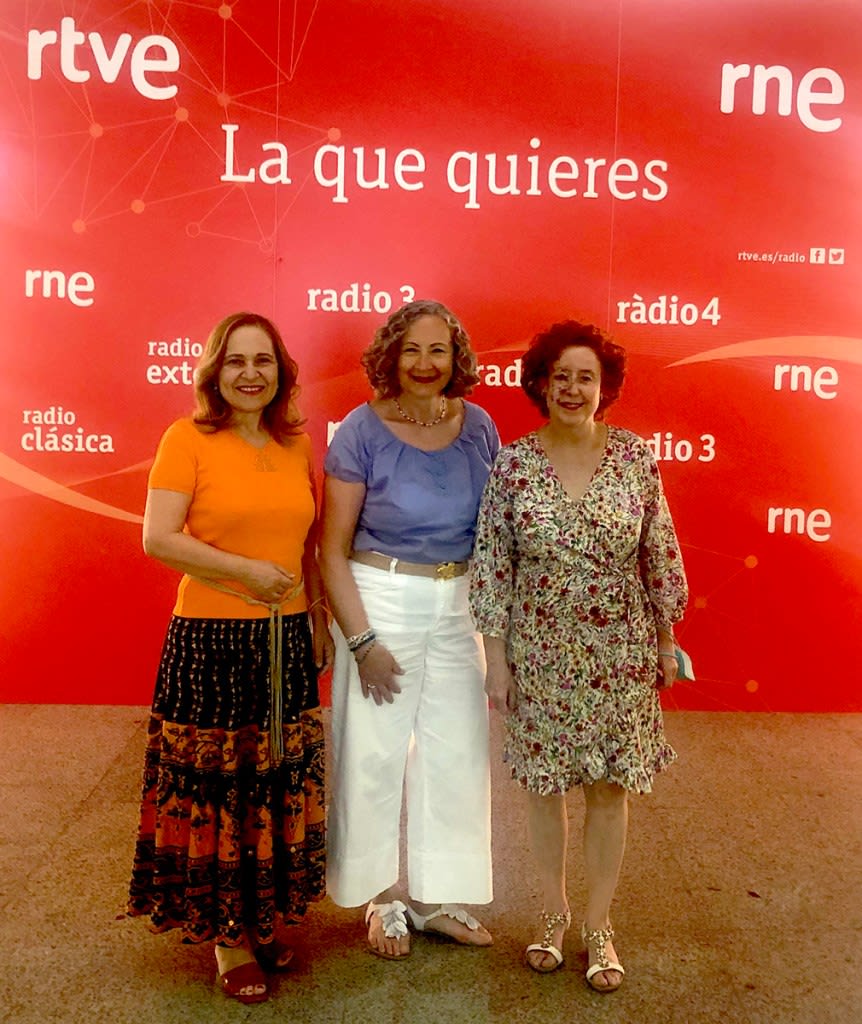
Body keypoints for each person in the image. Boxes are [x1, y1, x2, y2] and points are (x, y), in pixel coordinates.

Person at [469, 319, 688, 992]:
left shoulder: (635, 458)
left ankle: (598, 926)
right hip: (537, 651)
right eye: (559, 375)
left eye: (584, 376)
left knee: (608, 790)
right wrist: (497, 662)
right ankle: (550, 914)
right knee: (543, 791)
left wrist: (665, 641)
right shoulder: (512, 463)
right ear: (538, 383)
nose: (571, 388)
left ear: (605, 386)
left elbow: (660, 554)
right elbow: (493, 567)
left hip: (618, 650)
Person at [127, 311, 333, 1005]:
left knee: (274, 781)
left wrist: (316, 616)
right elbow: (159, 537)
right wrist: (246, 573)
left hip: (284, 642)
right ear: (215, 371)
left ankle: (262, 914)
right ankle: (228, 937)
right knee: (221, 788)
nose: (251, 373)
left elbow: (306, 544)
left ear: (281, 374)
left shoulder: (294, 444)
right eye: (237, 361)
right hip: (210, 642)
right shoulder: (185, 439)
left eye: (264, 362)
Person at [320, 299, 499, 959]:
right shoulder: (360, 432)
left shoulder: (479, 426)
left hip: (460, 605)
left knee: (457, 755)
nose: (425, 364)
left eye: (439, 351)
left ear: (456, 360)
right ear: (391, 355)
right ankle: (384, 899)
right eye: (413, 350)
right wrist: (362, 642)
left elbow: (496, 533)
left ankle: (434, 898)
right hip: (381, 600)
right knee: (373, 756)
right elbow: (330, 549)